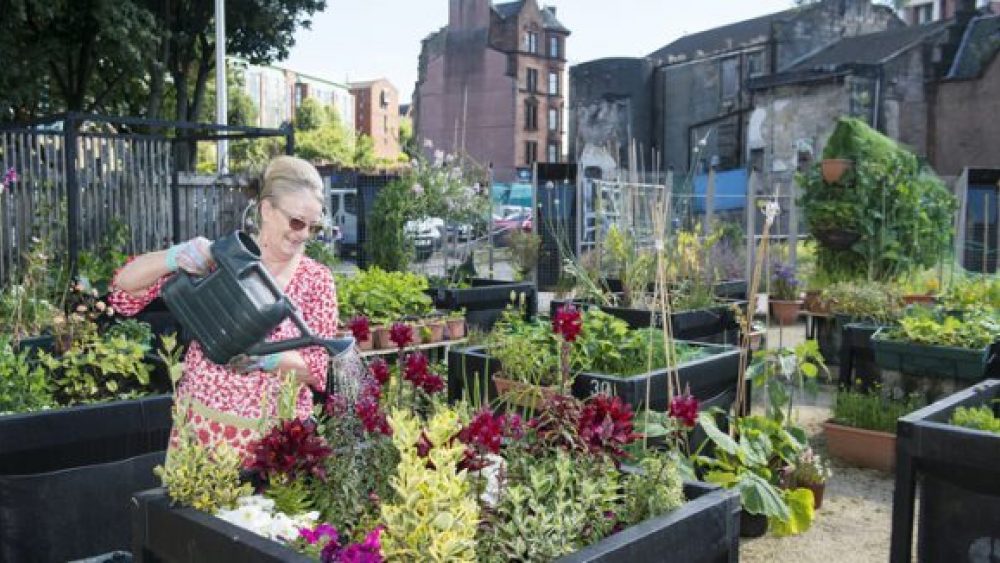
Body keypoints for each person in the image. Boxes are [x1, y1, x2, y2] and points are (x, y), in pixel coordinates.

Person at [109, 155, 338, 459]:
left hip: (275, 446)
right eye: (297, 222)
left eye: (315, 227)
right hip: (203, 429)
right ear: (267, 209)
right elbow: (123, 291)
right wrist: (173, 257)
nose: (304, 235)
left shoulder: (317, 280)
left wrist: (268, 358)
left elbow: (316, 368)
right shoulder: (221, 257)